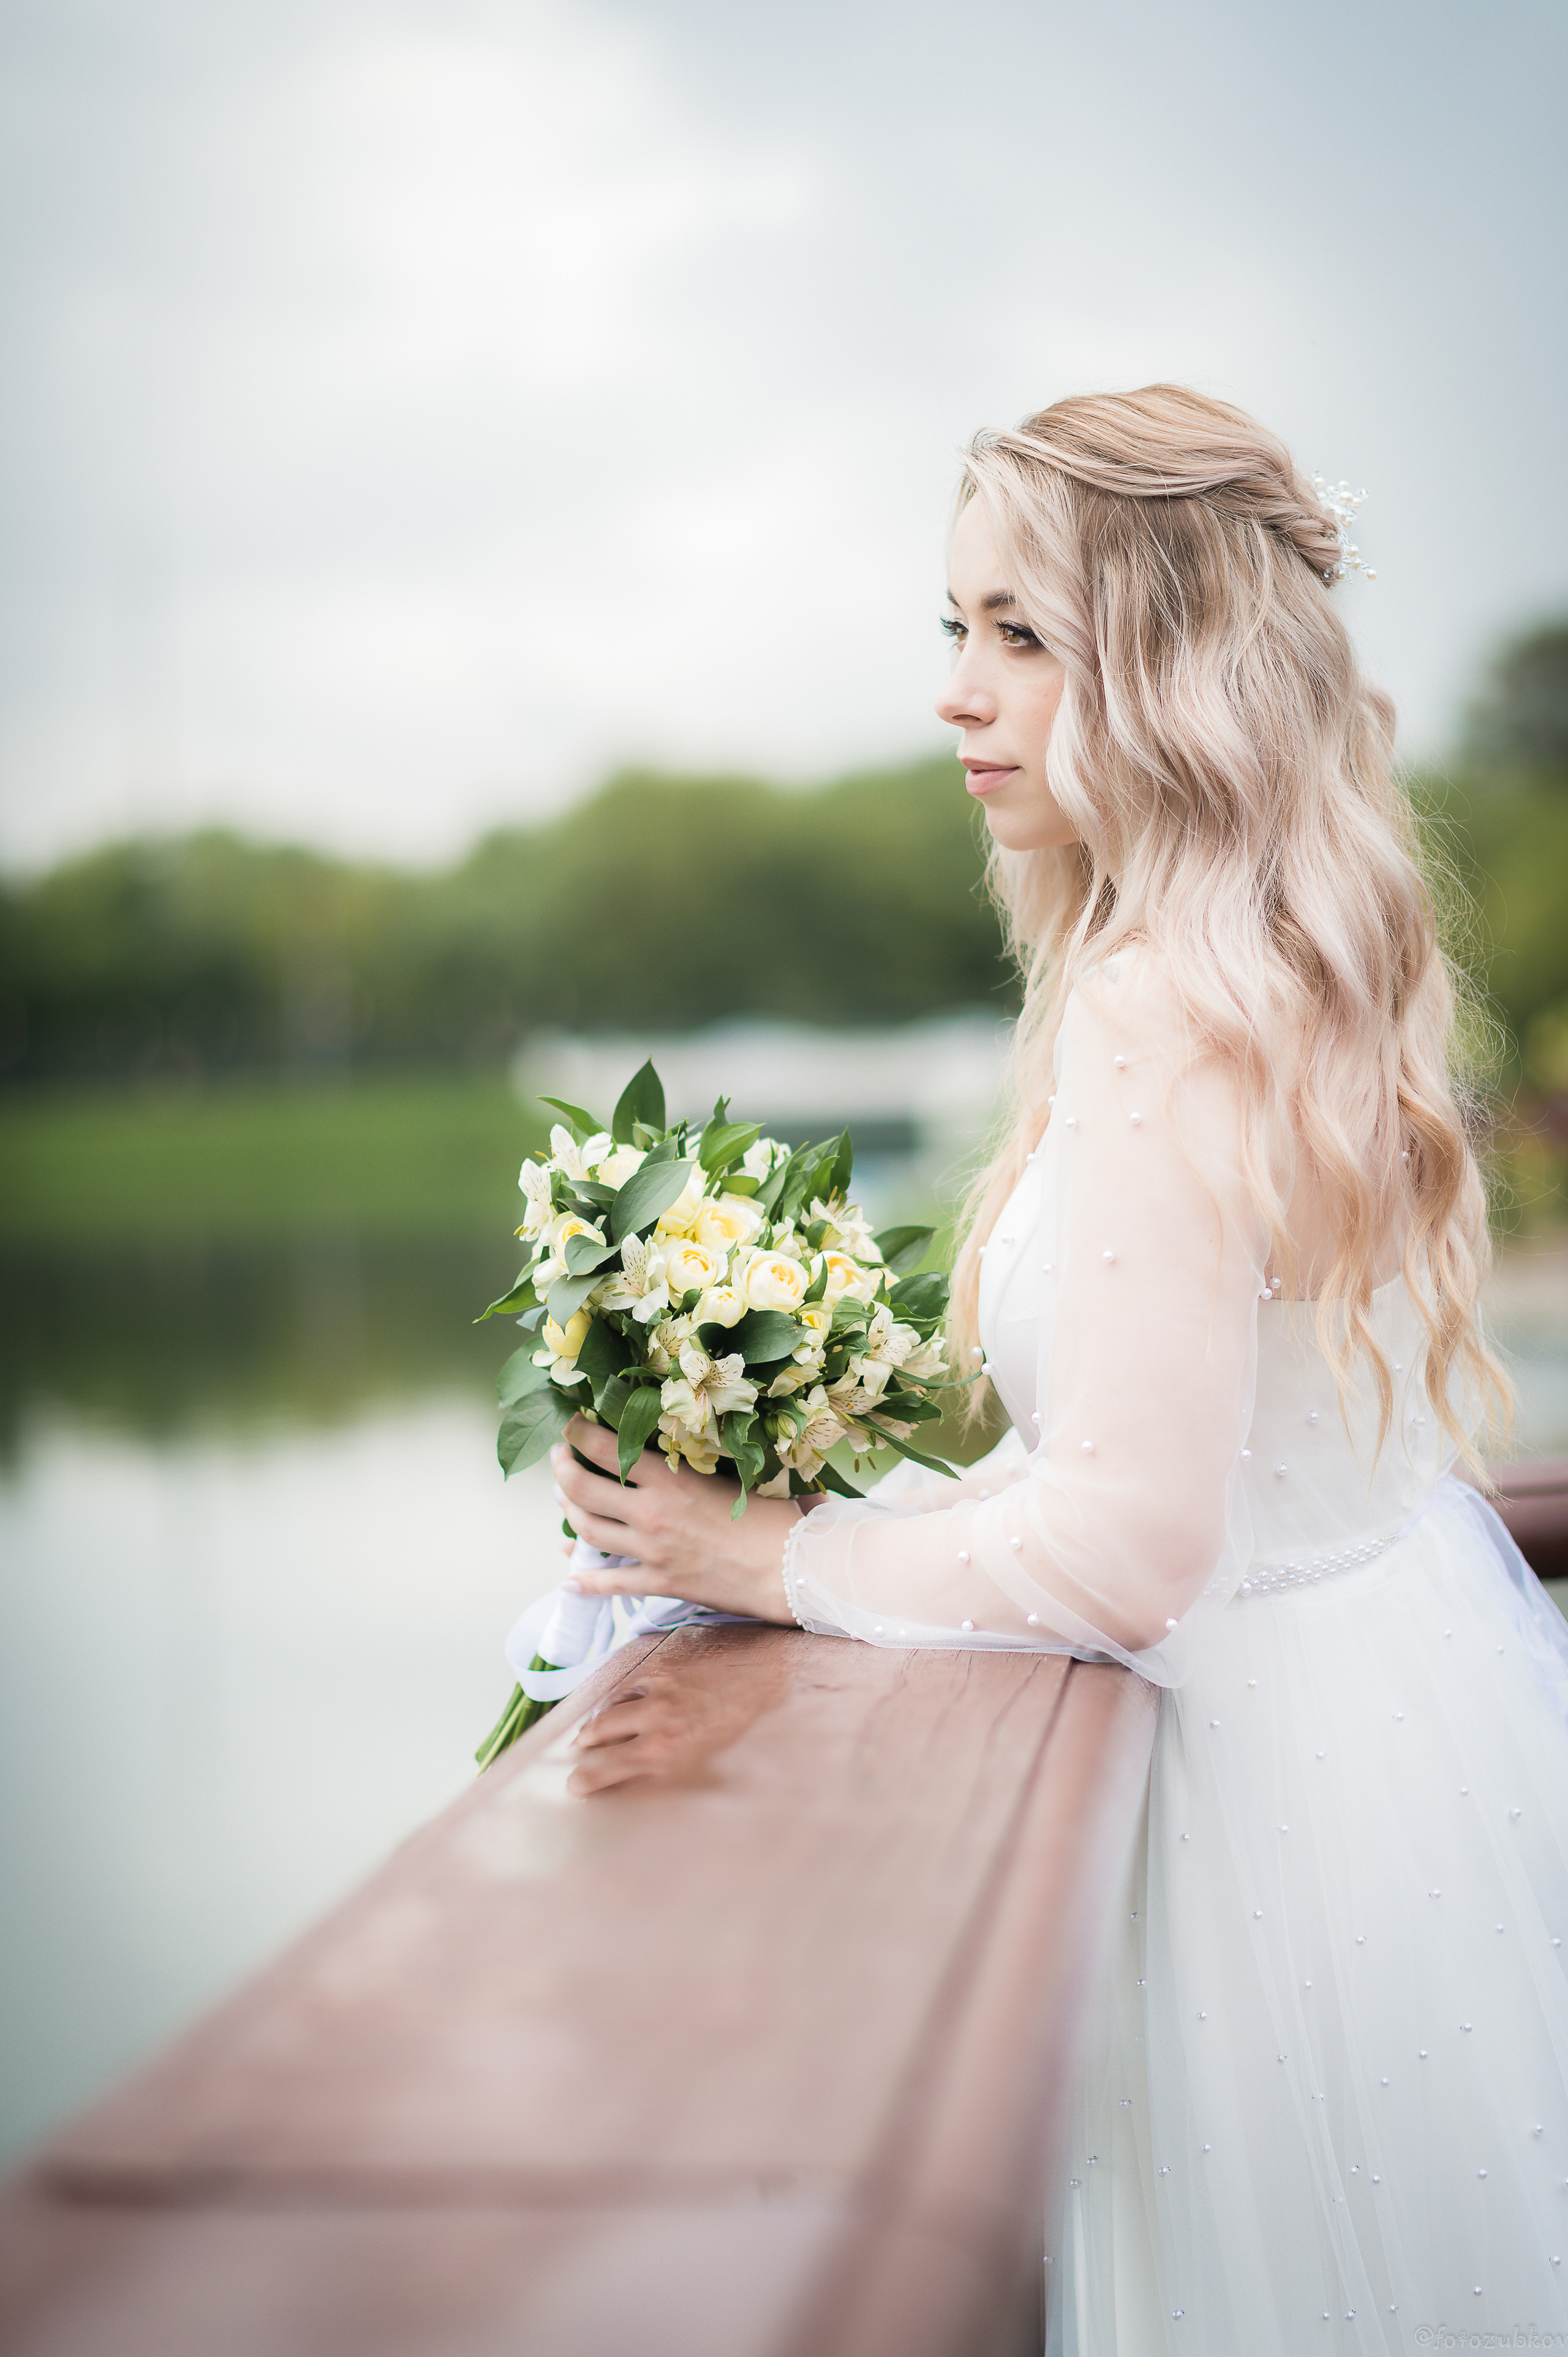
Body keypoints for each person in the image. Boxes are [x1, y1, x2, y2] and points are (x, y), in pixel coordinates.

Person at [549, 384, 1568, 2348]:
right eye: (954, 628)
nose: (957, 691)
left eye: (1023, 636)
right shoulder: (1276, 955)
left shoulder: (1155, 1002)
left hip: (1271, 1809)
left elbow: (1126, 1545)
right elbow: (1170, 1454)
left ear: (1177, 666)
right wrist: (844, 1500)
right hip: (1390, 1706)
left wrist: (761, 1565)